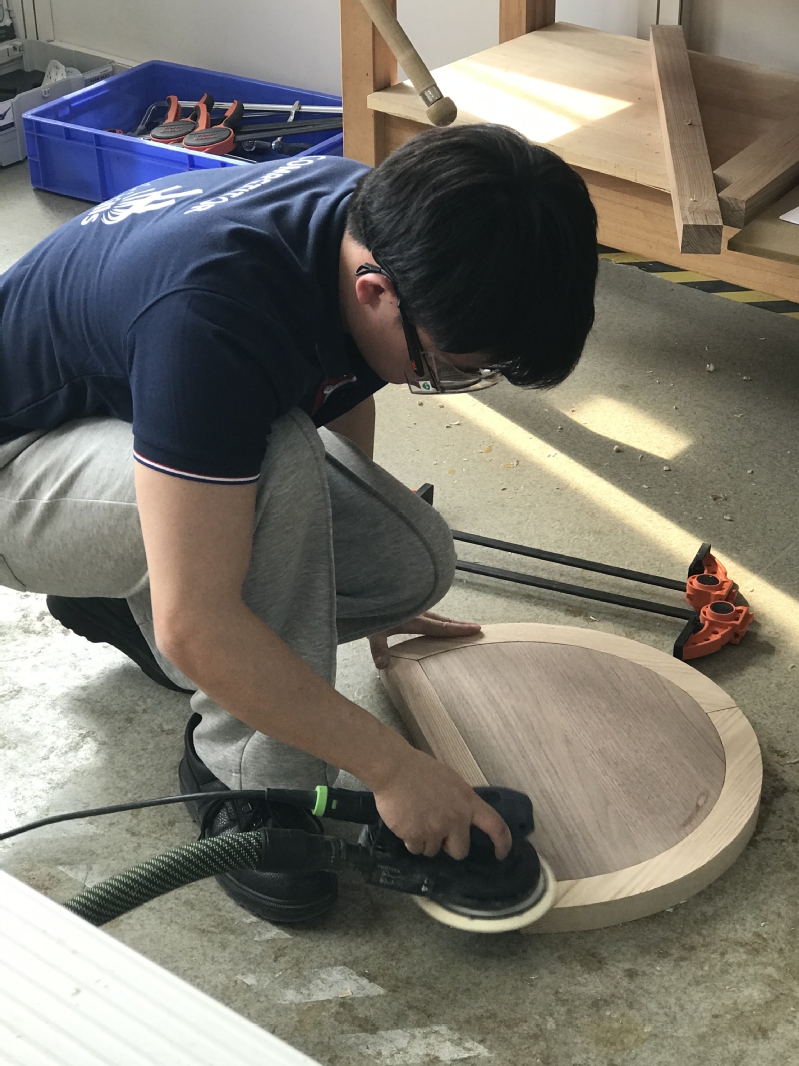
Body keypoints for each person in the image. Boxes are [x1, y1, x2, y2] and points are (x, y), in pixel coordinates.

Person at [0, 123, 598, 921]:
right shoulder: (213, 316)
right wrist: (394, 769)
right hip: (15, 465)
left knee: (409, 562)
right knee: (272, 458)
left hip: (115, 417)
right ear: (374, 292)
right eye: (453, 370)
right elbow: (198, 622)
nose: (449, 382)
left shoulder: (373, 224)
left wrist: (333, 571)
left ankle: (117, 598)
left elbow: (338, 385)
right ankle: (247, 779)